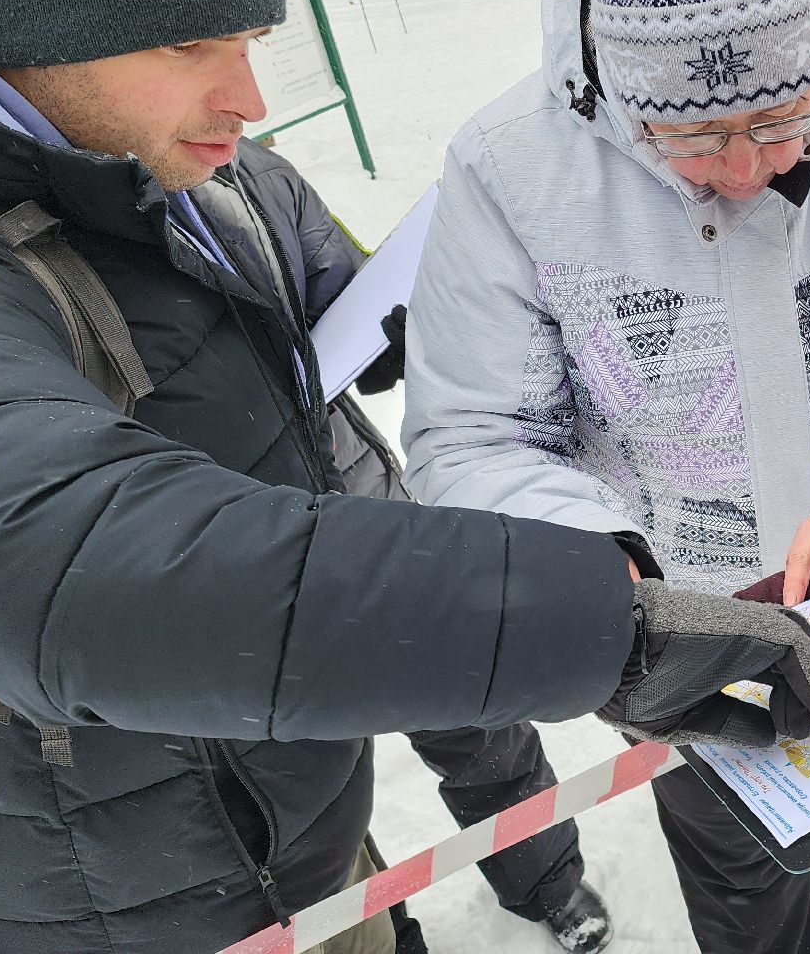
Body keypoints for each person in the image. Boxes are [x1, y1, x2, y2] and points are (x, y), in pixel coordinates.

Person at [0, 0, 810, 952]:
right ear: (32, 28)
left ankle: (533, 886)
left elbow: (322, 295)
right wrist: (599, 628)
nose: (248, 100)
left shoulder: (189, 165)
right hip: (103, 891)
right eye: (186, 48)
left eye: (250, 38)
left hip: (293, 793)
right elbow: (54, 557)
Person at [400, 0, 810, 951]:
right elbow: (473, 433)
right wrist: (599, 566)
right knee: (738, 889)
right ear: (622, 100)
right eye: (691, 135)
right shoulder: (511, 171)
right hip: (684, 659)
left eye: (778, 122)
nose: (744, 170)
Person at [234, 137, 613, 953]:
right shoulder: (50, 241)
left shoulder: (255, 172)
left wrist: (409, 330)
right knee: (293, 792)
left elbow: (346, 284)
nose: (239, 99)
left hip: (368, 509)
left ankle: (545, 881)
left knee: (477, 718)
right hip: (236, 565)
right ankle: (381, 928)